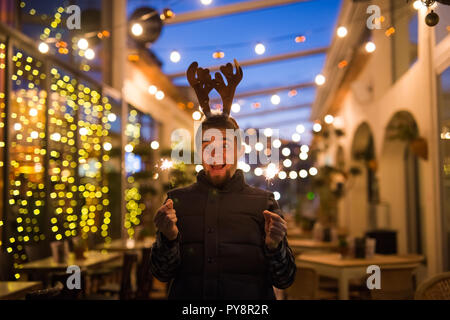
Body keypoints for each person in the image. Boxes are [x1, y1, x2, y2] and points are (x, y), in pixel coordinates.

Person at [149, 60, 296, 300]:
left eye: (225, 145)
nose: (215, 154)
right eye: (207, 145)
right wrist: (168, 238)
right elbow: (161, 273)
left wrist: (275, 246)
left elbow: (285, 279)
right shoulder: (175, 202)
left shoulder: (264, 203)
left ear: (239, 150)